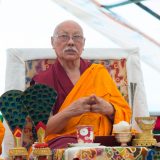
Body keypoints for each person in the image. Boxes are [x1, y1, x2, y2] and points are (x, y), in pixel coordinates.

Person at [32, 20, 131, 148]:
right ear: (52, 42)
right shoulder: (43, 81)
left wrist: (109, 109)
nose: (71, 42)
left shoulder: (98, 73)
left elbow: (125, 117)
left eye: (77, 37)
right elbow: (42, 131)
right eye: (64, 36)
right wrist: (70, 111)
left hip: (101, 142)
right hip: (63, 144)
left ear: (83, 43)